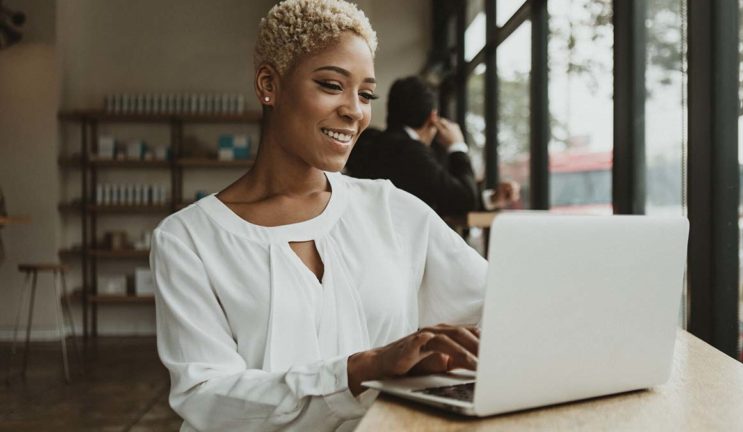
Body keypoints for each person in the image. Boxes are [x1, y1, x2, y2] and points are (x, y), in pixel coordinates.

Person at [150, 1, 486, 431]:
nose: (355, 110)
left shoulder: (393, 209)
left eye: (366, 94)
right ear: (269, 84)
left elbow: (496, 306)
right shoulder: (187, 239)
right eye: (331, 85)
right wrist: (361, 368)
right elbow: (207, 398)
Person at [345, 76, 520, 216]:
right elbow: (464, 200)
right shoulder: (411, 152)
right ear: (433, 117)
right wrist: (457, 146)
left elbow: (442, 196)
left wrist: (491, 199)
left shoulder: (368, 142)